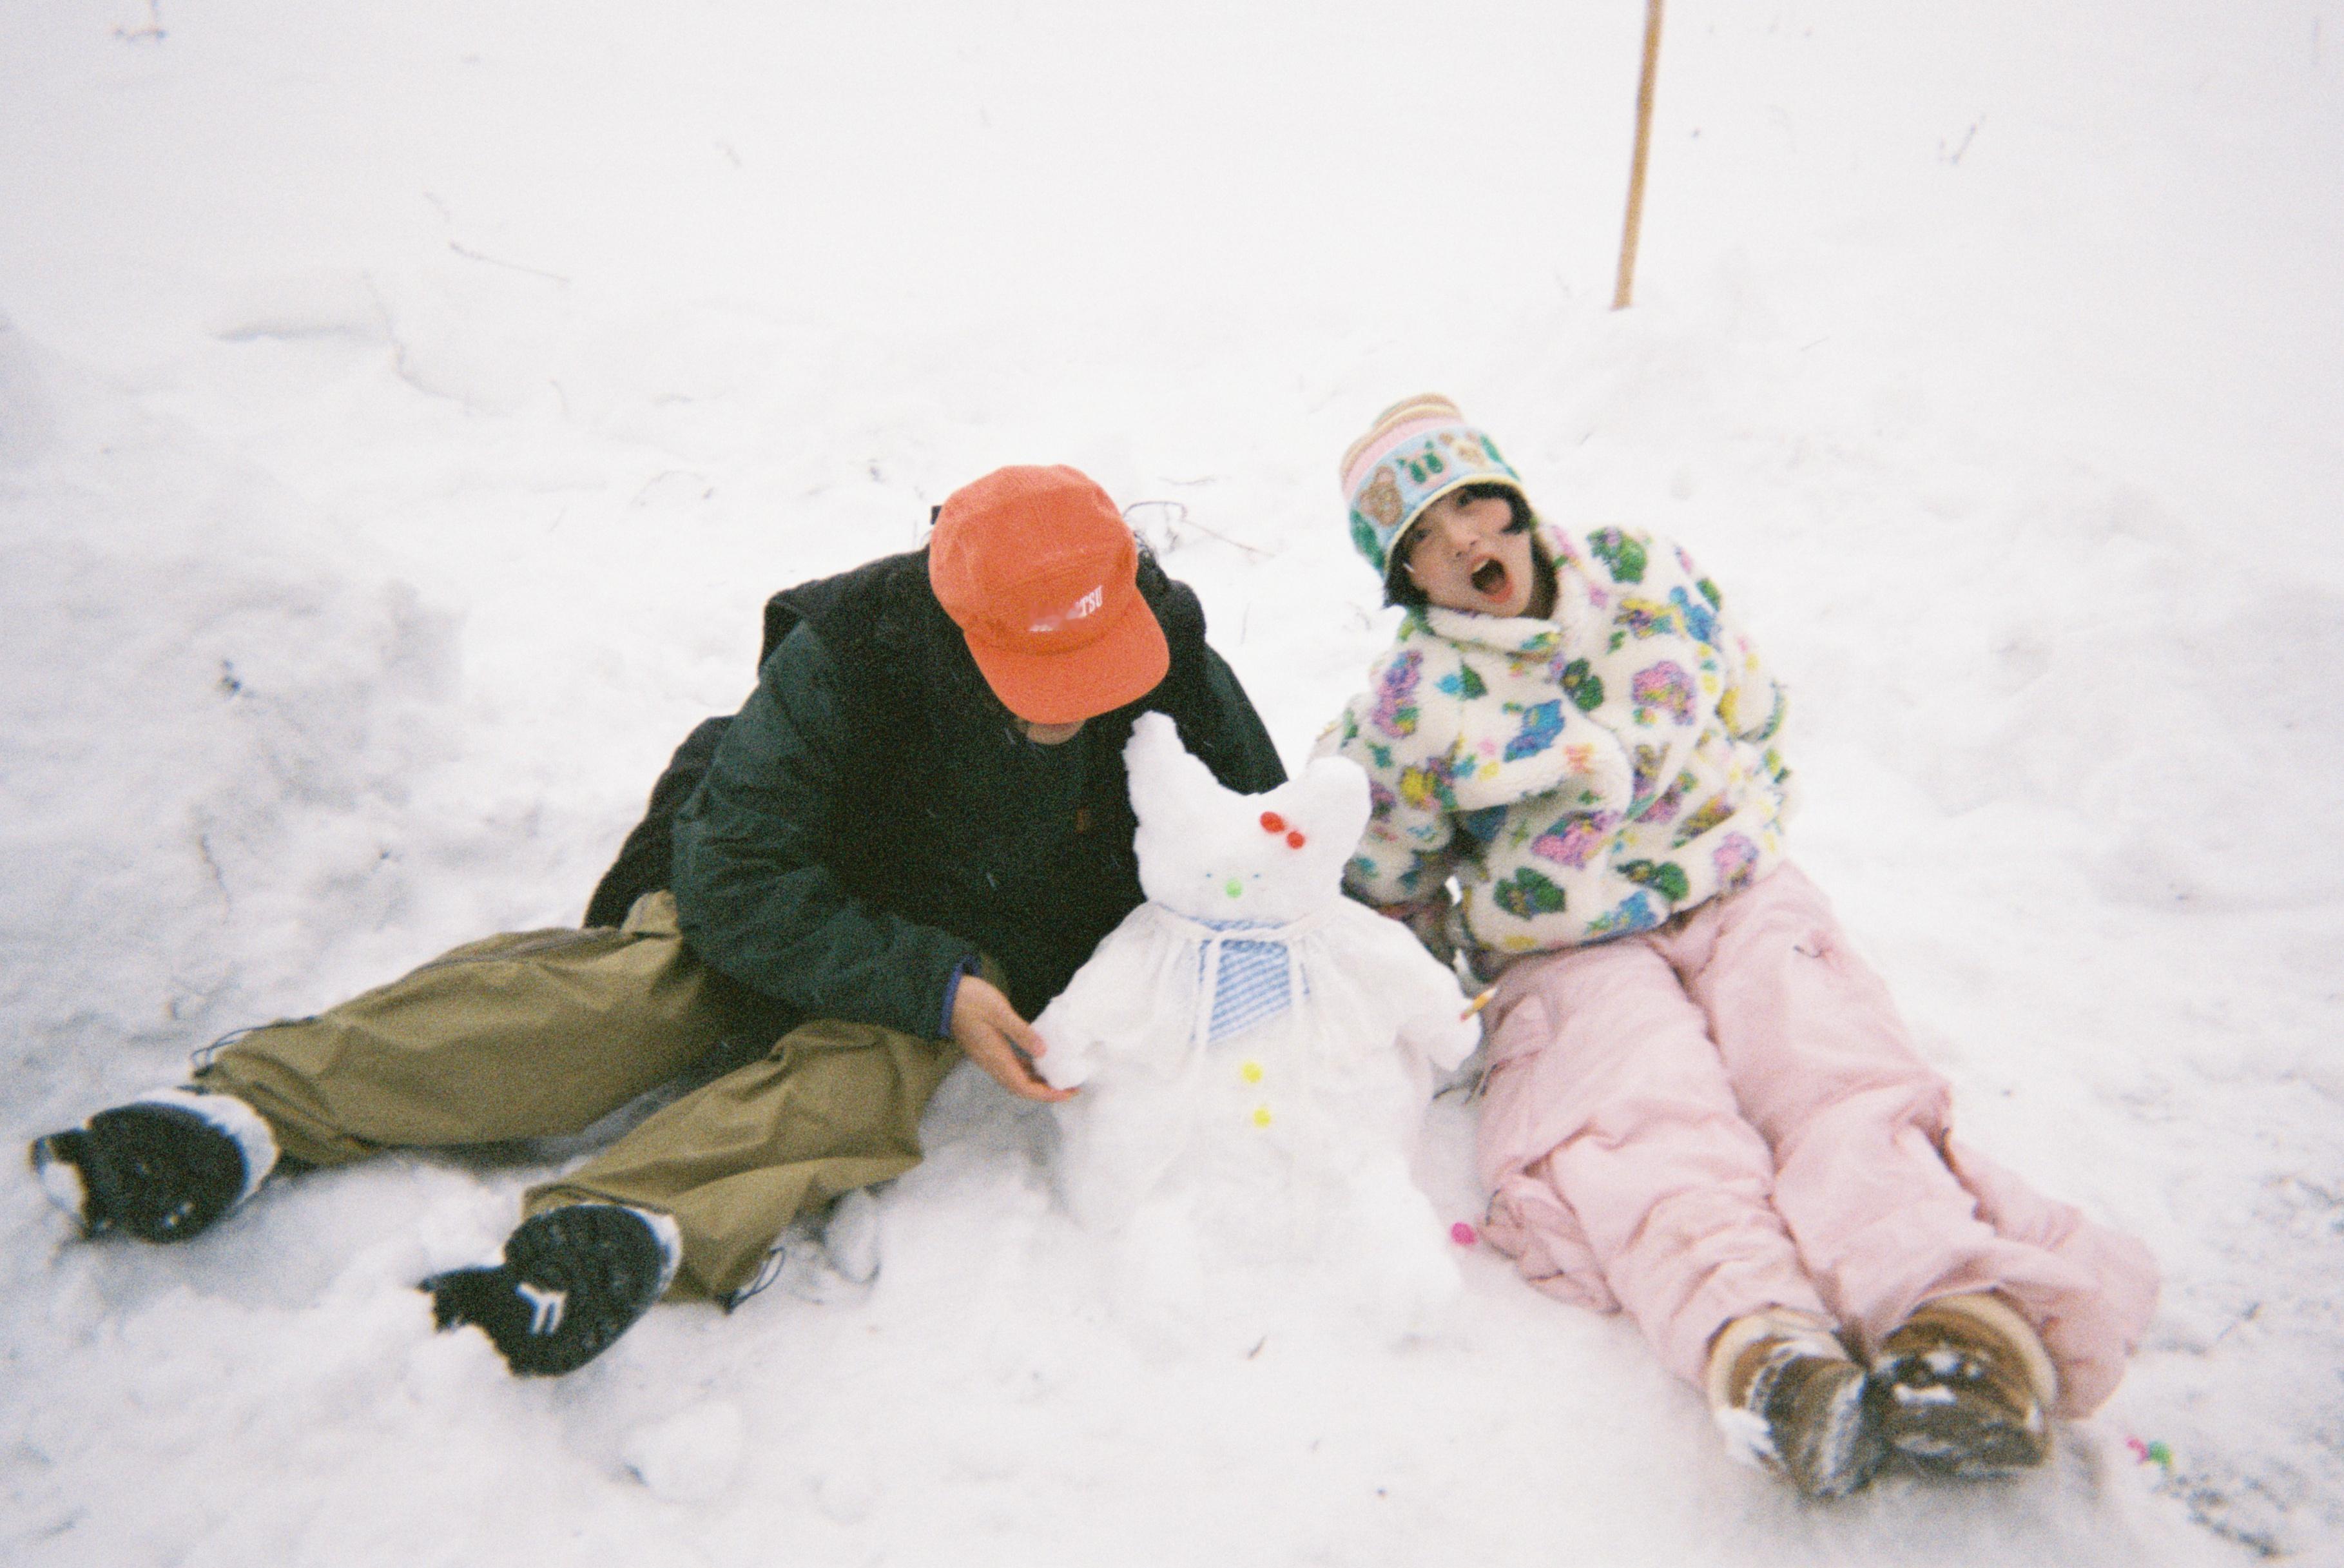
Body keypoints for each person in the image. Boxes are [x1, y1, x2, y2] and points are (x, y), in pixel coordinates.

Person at [31, 463, 1287, 1376]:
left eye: (1088, 674)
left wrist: (966, 987)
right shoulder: (851, 654)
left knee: (868, 1069)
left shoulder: (1164, 646)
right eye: (1038, 679)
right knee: (644, 994)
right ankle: (256, 1107)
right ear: (961, 622)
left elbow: (1260, 843)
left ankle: (626, 1227)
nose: (1067, 706)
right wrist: (926, 974)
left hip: (981, 943)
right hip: (786, 889)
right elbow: (738, 876)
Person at [1319, 395, 2158, 1498]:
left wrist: (1745, 813)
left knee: (1824, 1067)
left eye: (1471, 505)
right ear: (1403, 579)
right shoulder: (1412, 698)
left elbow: (1749, 704)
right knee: (1635, 1111)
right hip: (1564, 944)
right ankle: (1765, 1356)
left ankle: (1955, 1329)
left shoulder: (1640, 575)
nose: (1463, 541)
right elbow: (1384, 864)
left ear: (1510, 499)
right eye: (1423, 539)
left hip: (1732, 881)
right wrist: (1409, 972)